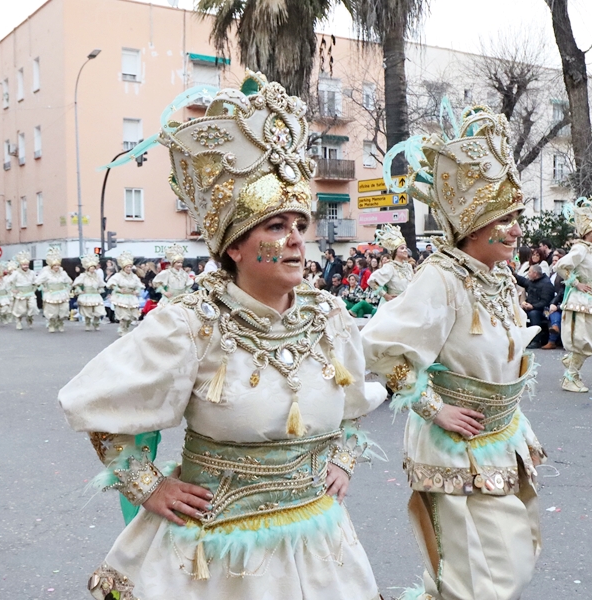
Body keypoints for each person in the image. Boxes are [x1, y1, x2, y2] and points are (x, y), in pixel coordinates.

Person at [58, 73, 385, 600]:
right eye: (275, 227)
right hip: (218, 555)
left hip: (320, 543)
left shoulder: (330, 317)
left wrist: (344, 459)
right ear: (235, 247)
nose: (296, 240)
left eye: (299, 225)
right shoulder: (190, 323)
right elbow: (98, 410)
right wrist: (148, 485)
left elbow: (354, 405)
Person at [362, 105, 545, 600]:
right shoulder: (440, 278)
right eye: (504, 219)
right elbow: (378, 349)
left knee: (511, 562)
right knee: (475, 581)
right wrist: (433, 407)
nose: (516, 229)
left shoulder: (499, 274)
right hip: (455, 449)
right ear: (473, 223)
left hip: (501, 438)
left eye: (516, 217)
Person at [554, 197, 592, 392]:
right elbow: (561, 266)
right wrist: (576, 283)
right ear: (585, 232)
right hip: (582, 299)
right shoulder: (580, 248)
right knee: (584, 340)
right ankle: (571, 376)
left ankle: (572, 360)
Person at [367, 224, 414, 301]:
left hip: (409, 301)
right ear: (395, 252)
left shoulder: (408, 266)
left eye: (406, 248)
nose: (405, 250)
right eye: (402, 248)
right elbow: (372, 281)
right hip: (395, 303)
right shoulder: (389, 267)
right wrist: (385, 295)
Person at [516, 264, 556, 349]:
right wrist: (512, 274)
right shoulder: (532, 281)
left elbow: (546, 302)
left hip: (545, 310)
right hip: (531, 307)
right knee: (517, 311)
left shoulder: (546, 284)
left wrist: (532, 306)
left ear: (535, 273)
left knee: (534, 314)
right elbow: (522, 281)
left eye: (529, 272)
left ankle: (536, 340)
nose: (528, 274)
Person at [34, 248, 72, 333]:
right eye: (55, 265)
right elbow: (37, 282)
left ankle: (60, 323)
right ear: (51, 266)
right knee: (52, 311)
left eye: (58, 265)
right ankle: (51, 324)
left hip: (62, 294)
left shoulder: (63, 273)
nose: (57, 267)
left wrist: (67, 289)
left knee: (63, 310)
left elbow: (69, 282)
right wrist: (43, 288)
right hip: (51, 294)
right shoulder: (46, 273)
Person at [106, 251, 143, 336]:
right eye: (127, 267)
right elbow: (112, 284)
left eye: (130, 267)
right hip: (121, 297)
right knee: (124, 315)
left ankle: (126, 327)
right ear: (123, 267)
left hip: (131, 297)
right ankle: (122, 328)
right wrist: (118, 289)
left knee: (131, 316)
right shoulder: (118, 276)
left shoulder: (134, 276)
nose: (129, 269)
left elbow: (139, 285)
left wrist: (137, 291)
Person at [71, 254, 107, 331]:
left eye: (94, 268)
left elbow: (102, 285)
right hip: (86, 295)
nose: (93, 270)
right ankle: (87, 323)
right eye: (91, 268)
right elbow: (76, 284)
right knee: (88, 311)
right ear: (87, 268)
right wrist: (80, 291)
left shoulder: (97, 276)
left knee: (98, 310)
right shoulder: (83, 276)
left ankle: (96, 323)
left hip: (96, 295)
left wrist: (100, 290)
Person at [6, 251, 37, 330]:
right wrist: (12, 289)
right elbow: (8, 281)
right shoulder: (16, 273)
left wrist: (37, 287)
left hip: (30, 293)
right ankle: (18, 322)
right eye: (24, 265)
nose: (26, 266)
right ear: (20, 265)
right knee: (21, 310)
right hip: (21, 293)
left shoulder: (32, 273)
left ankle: (30, 318)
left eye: (27, 264)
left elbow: (36, 282)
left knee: (33, 307)